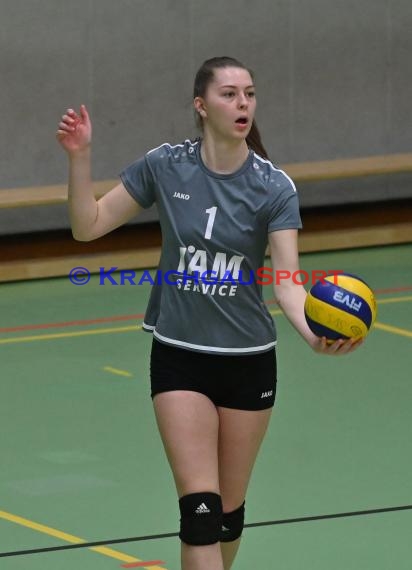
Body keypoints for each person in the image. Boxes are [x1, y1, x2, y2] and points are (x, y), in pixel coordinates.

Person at [57, 56, 362, 570]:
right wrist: (80, 156)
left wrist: (313, 336)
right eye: (229, 94)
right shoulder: (165, 165)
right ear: (201, 105)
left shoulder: (274, 187)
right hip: (180, 356)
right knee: (200, 512)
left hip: (248, 361)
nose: (242, 103)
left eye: (249, 93)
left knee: (228, 515)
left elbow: (287, 282)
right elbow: (87, 226)